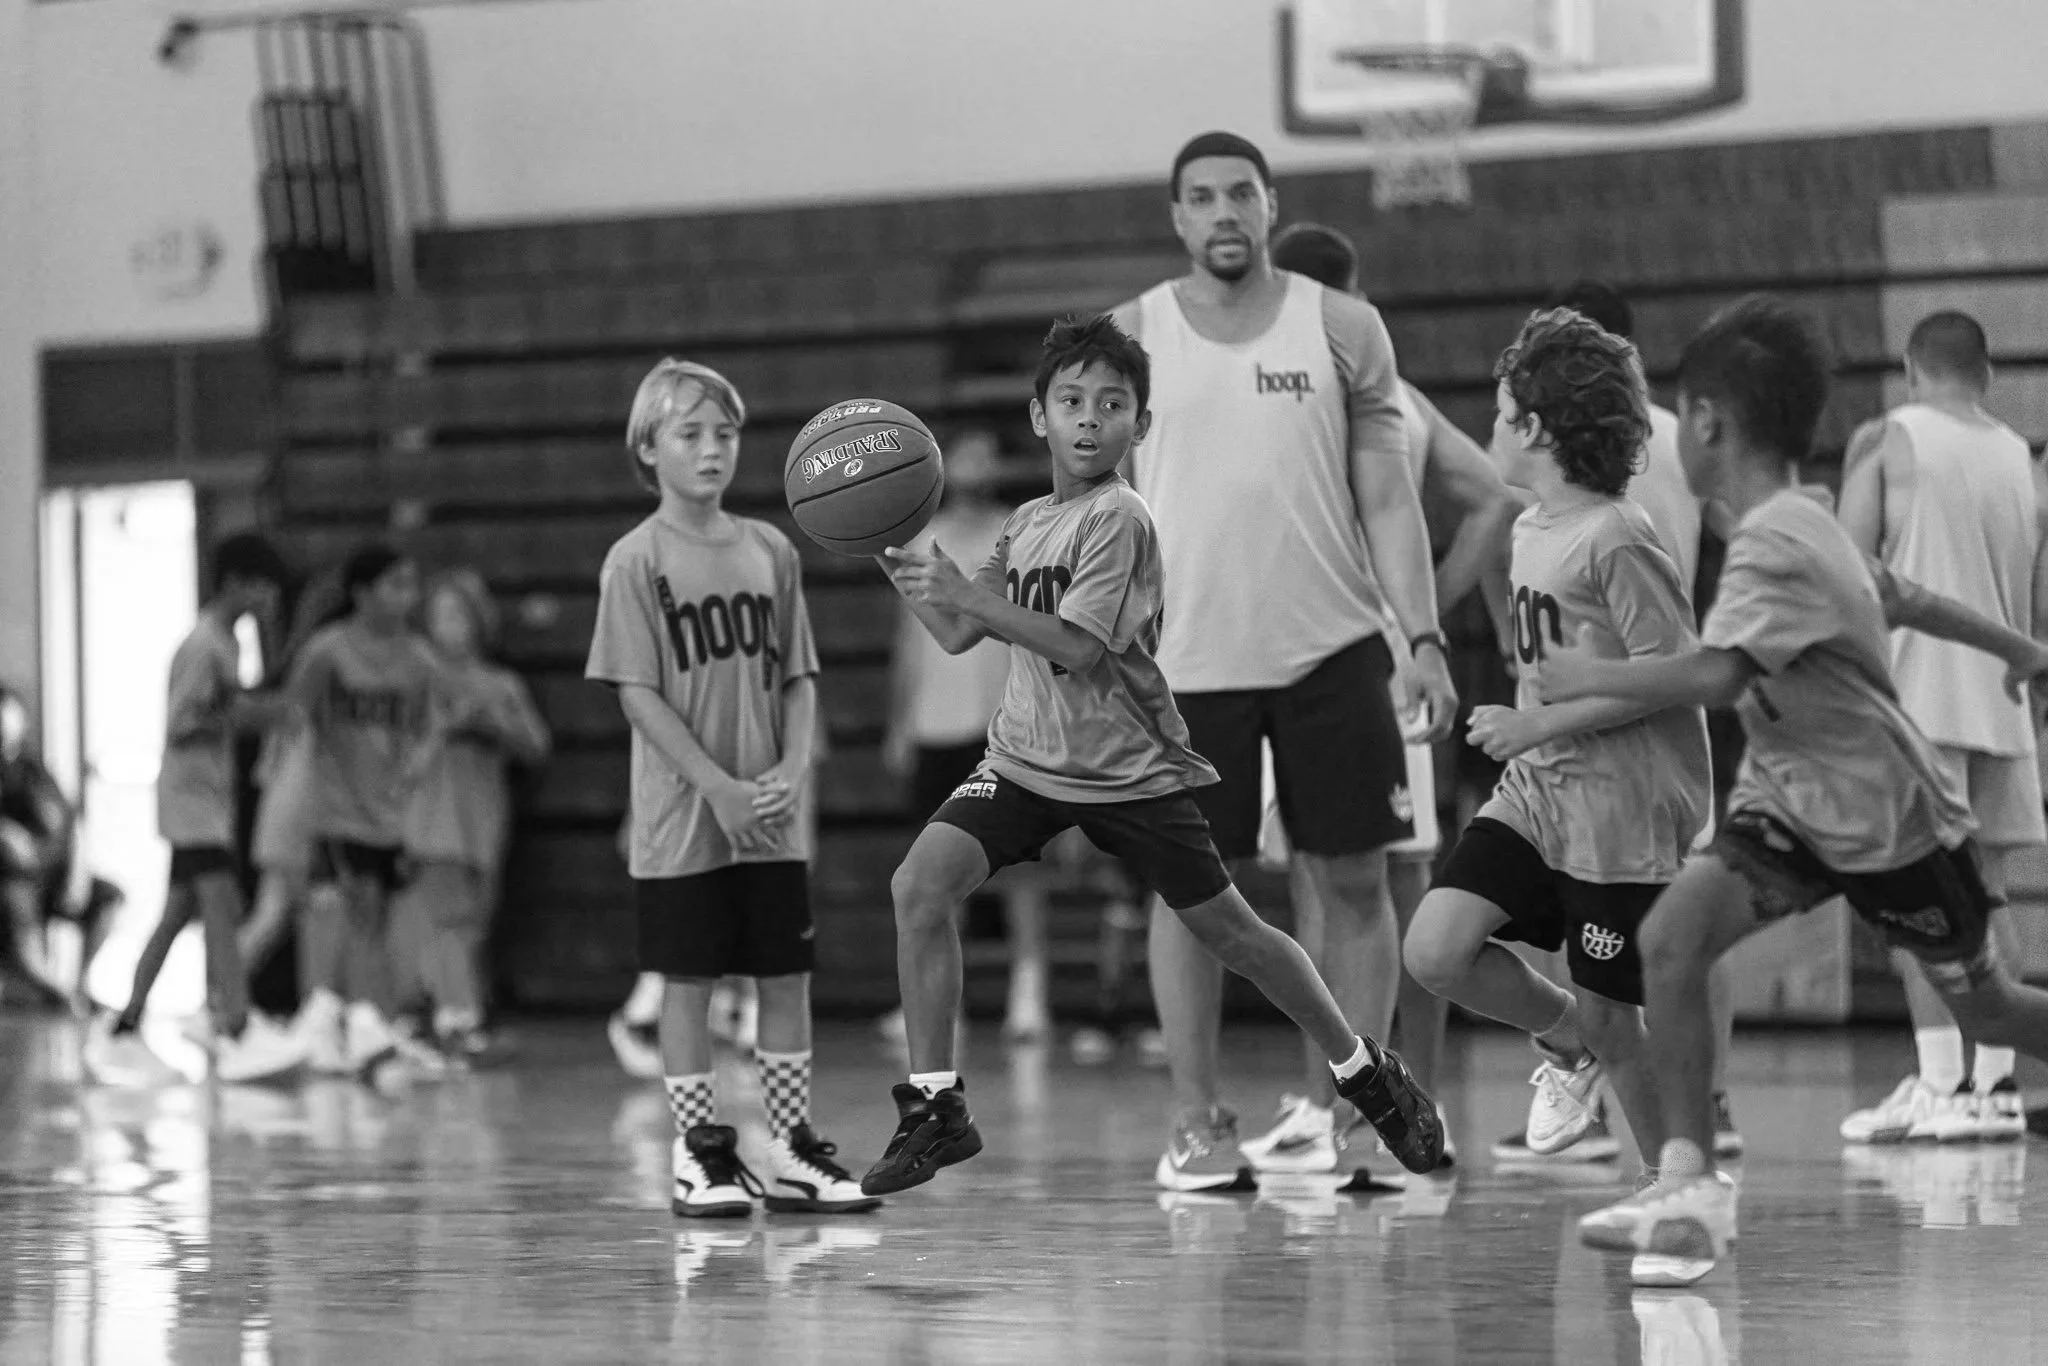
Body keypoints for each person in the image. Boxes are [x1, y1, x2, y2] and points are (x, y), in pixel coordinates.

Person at [859, 314, 1443, 1198]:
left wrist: (959, 591)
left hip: (1126, 769)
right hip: (1025, 761)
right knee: (919, 884)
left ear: (1142, 425)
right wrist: (885, 543)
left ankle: (1362, 1065)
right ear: (1038, 417)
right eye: (1072, 401)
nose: (1091, 418)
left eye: (1113, 403)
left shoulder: (1120, 518)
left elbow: (1078, 646)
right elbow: (953, 634)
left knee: (1234, 930)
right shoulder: (1023, 523)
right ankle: (936, 1105)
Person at [1543, 295, 2048, 1287]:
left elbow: (1714, 677)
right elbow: (1904, 594)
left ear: (1702, 423)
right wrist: (2018, 645)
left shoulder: (1775, 537)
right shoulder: (1802, 521)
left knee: (1987, 1010)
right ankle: (1686, 1189)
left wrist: (1584, 676)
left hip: (1885, 817)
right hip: (1785, 806)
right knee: (1668, 941)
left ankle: (1687, 1182)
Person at [1111, 133, 1458, 1192]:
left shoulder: (1342, 325)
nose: (1222, 212)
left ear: (1270, 207)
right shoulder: (1129, 335)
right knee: (1192, 899)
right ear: (1175, 216)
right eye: (1201, 197)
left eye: (1240, 195)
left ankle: (1365, 1124)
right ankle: (1194, 1123)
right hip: (1185, 662)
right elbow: (1097, 510)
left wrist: (1424, 637)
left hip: (1332, 647)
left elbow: (1390, 497)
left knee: (1354, 882)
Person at [1402, 308, 1709, 1189]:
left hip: (1622, 811)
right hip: (1540, 790)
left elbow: (1675, 674)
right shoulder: (1532, 524)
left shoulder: (1618, 534)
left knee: (1626, 1026)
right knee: (1435, 950)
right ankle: (1562, 1036)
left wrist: (1533, 721)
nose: (1490, 431)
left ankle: (1675, 1188)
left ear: (1535, 429)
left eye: (1501, 416)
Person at [1243, 220, 1515, 1177]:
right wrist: (1424, 609)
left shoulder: (1337, 390)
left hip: (1345, 659)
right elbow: (1492, 498)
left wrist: (1415, 611)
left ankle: (1344, 1107)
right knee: (1395, 880)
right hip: (1370, 654)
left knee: (1339, 883)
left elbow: (1494, 501)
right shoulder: (1398, 393)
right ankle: (1401, 1098)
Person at [586, 357, 877, 1217]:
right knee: (689, 982)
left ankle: (789, 1148)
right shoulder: (634, 561)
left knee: (784, 977)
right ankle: (700, 1154)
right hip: (684, 813)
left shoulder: (771, 549)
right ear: (649, 448)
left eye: (725, 434)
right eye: (690, 434)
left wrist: (788, 772)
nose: (713, 450)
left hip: (772, 811)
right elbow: (636, 693)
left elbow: (799, 677)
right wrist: (715, 785)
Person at [1486, 279, 1745, 1167]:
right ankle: (1637, 1087)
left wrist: (1555, 706)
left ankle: (1681, 1160)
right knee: (1621, 979)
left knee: (1653, 972)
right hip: (1558, 774)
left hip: (1636, 780)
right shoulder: (1538, 518)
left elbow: (1675, 663)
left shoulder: (1623, 515)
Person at [1835, 309, 2047, 1144]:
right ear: (1987, 375)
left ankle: (1936, 1082)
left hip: (1916, 702)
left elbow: (1846, 578)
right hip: (2001, 703)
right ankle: (1994, 1088)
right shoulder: (2017, 457)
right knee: (1989, 897)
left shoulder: (1886, 437)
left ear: (1911, 371)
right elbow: (2033, 602)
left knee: (1908, 897)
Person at [103, 533, 306, 1081]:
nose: (268, 600)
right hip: (192, 802)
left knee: (175, 916)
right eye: (263, 588)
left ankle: (125, 1023)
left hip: (205, 801)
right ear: (237, 582)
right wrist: (255, 716)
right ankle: (234, 1027)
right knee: (222, 909)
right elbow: (185, 721)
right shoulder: (206, 645)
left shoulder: (228, 643)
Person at [881, 426, 1051, 1046]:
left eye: (985, 452)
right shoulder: (924, 541)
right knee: (933, 871)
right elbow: (913, 642)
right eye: (965, 453)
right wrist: (899, 723)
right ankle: (935, 1002)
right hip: (934, 724)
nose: (975, 462)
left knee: (1018, 874)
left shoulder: (1019, 530)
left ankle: (1028, 993)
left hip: (1002, 727)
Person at [290, 544, 449, 1083]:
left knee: (381, 921)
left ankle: (345, 1019)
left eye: (411, 585)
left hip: (390, 815)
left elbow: (433, 724)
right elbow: (293, 715)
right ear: (362, 593)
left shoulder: (420, 658)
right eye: (394, 584)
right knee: (358, 914)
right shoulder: (328, 652)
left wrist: (418, 765)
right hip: (338, 811)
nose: (407, 596)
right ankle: (362, 1027)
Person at [392, 569, 550, 1061]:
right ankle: (457, 1018)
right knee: (447, 920)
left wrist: (495, 725)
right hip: (431, 819)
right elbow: (398, 759)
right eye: (441, 616)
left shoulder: (499, 685)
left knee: (474, 921)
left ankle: (452, 1016)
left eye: (459, 615)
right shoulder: (416, 681)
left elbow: (536, 746)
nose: (451, 626)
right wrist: (441, 729)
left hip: (481, 818)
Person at [0, 683, 82, 1009]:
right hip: (17, 879)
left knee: (109, 896)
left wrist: (78, 870)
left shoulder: (34, 767)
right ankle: (59, 992)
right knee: (19, 910)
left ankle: (76, 985)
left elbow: (69, 818)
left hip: (52, 873)